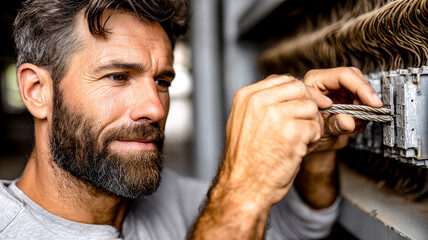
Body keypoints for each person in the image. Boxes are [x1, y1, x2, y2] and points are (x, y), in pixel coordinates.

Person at [0, 0, 383, 239]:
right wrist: (240, 190)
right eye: (118, 76)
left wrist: (316, 153)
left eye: (162, 81)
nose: (155, 107)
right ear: (37, 91)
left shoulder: (171, 198)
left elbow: (294, 231)